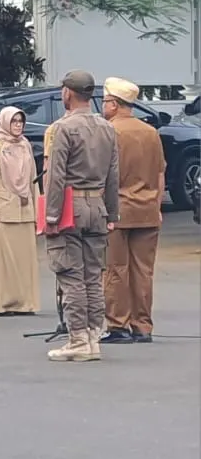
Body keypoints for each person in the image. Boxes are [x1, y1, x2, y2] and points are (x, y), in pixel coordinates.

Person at [43, 70, 120, 362]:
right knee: (93, 276)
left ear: (68, 93)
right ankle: (92, 336)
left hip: (70, 207)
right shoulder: (107, 128)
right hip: (98, 205)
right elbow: (114, 174)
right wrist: (112, 212)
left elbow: (55, 176)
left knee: (71, 275)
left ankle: (77, 340)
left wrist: (51, 216)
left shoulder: (64, 128)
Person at [101, 76, 164, 344]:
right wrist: (157, 205)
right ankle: (143, 326)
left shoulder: (109, 131)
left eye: (104, 102)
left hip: (118, 211)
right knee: (143, 271)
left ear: (114, 104)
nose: (102, 107)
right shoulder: (151, 132)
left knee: (115, 269)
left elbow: (103, 174)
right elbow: (161, 172)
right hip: (148, 210)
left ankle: (118, 325)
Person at [0, 106, 39, 316]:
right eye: (14, 121)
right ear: (4, 122)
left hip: (24, 208)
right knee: (2, 259)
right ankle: (0, 303)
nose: (17, 125)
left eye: (20, 121)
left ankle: (24, 302)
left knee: (24, 259)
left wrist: (37, 211)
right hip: (2, 208)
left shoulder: (25, 145)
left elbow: (33, 178)